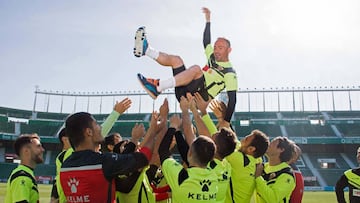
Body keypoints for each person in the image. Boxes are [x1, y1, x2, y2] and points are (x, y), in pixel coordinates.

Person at [135, 7, 238, 128]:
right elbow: (206, 42)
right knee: (176, 60)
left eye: (220, 48)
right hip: (184, 90)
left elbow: (232, 99)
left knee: (196, 69)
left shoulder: (229, 73)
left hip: (197, 97)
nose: (216, 50)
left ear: (229, 50)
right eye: (215, 47)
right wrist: (208, 20)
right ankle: (146, 50)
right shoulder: (212, 57)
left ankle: (158, 87)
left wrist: (226, 122)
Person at [58, 111, 156, 203]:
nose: (100, 128)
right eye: (96, 124)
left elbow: (125, 187)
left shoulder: (65, 166)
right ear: (89, 132)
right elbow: (143, 158)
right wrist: (153, 131)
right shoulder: (103, 162)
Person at [158, 114, 218, 203]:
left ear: (189, 153)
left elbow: (163, 151)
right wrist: (177, 131)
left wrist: (173, 126)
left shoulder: (181, 176)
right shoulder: (215, 174)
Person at [5, 133, 45, 203]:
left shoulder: (26, 174)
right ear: (26, 151)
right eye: (38, 146)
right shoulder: (21, 176)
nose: (42, 150)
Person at [255, 136, 296, 203]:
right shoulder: (262, 167)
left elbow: (273, 199)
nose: (268, 145)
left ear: (281, 149)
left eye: (272, 143)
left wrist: (258, 177)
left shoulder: (286, 174)